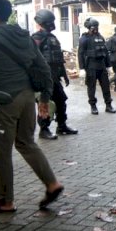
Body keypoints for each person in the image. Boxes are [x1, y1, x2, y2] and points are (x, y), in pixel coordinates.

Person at [0, 0, 64, 212]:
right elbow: (43, 69)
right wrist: (43, 98)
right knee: (26, 143)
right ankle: (52, 184)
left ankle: (4, 202)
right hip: (26, 98)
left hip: (3, 103)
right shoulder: (24, 36)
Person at [31, 9, 78, 139]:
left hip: (55, 77)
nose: (52, 24)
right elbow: (31, 60)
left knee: (61, 100)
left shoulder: (53, 38)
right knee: (45, 103)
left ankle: (61, 126)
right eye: (50, 22)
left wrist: (65, 75)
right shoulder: (36, 38)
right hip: (43, 79)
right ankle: (44, 129)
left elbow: (58, 59)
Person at [78, 18, 116, 115]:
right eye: (93, 28)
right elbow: (80, 53)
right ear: (89, 28)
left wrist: (109, 66)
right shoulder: (84, 39)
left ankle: (108, 105)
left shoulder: (101, 37)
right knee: (91, 87)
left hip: (102, 66)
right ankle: (93, 106)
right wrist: (81, 68)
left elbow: (105, 52)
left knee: (106, 87)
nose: (95, 30)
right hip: (91, 66)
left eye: (96, 27)